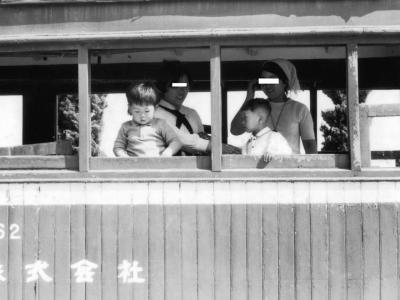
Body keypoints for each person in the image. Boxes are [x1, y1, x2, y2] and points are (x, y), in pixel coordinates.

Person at [231, 59, 317, 154]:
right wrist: (249, 96)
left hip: (290, 167)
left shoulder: (300, 109)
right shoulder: (258, 107)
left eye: (272, 79)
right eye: (264, 80)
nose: (268, 85)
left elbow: (310, 146)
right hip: (260, 167)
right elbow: (235, 130)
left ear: (285, 82)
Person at [155, 61, 240, 155]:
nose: (182, 91)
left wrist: (227, 148)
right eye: (176, 86)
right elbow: (179, 138)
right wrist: (214, 146)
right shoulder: (154, 114)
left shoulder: (192, 113)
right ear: (163, 86)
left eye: (186, 86)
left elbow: (203, 142)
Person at [113, 81, 181, 157]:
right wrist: (125, 158)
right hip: (134, 166)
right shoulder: (125, 127)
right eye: (137, 111)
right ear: (130, 108)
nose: (142, 115)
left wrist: (167, 153)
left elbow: (176, 142)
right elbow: (118, 147)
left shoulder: (161, 124)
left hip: (158, 165)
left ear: (155, 108)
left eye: (147, 111)